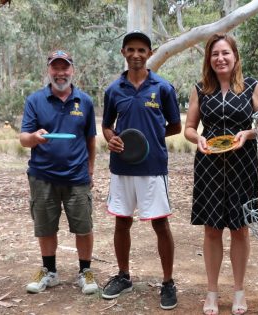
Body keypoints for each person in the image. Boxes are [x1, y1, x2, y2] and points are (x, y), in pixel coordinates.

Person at [184, 33, 258, 315]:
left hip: (243, 163)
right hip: (208, 165)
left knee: (240, 229)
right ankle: (211, 292)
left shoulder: (252, 87)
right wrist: (199, 140)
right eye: (215, 54)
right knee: (211, 229)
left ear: (235, 57)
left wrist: (249, 132)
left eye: (225, 53)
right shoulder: (200, 89)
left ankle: (239, 291)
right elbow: (190, 128)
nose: (220, 58)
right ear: (209, 59)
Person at [101, 30, 182, 310]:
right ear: (123, 52)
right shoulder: (113, 90)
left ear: (149, 54)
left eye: (141, 50)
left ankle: (168, 282)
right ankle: (123, 276)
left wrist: (152, 140)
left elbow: (175, 126)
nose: (136, 55)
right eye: (131, 49)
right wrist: (111, 138)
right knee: (122, 222)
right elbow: (107, 125)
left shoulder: (163, 88)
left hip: (152, 167)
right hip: (122, 168)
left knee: (160, 224)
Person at [19, 50, 98, 295]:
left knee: (83, 227)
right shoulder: (35, 100)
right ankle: (49, 271)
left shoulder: (84, 101)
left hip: (77, 178)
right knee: (45, 227)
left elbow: (90, 139)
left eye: (65, 68)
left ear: (72, 70)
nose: (60, 73)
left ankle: (85, 271)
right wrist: (33, 138)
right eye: (56, 68)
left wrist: (90, 170)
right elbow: (23, 138)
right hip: (43, 177)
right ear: (48, 70)